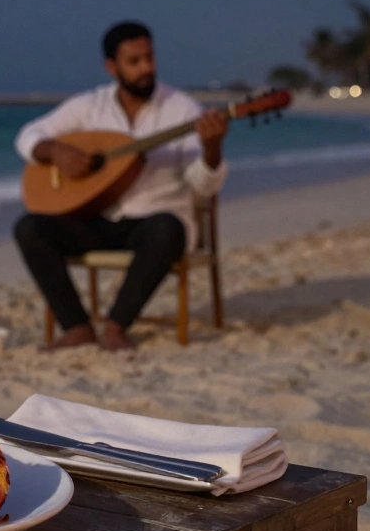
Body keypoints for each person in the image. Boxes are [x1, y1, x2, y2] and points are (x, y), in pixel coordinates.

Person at [12, 21, 229, 350]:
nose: (146, 68)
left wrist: (212, 150)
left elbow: (205, 186)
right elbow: (27, 136)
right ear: (111, 67)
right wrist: (56, 151)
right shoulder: (90, 106)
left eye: (149, 58)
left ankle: (116, 326)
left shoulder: (183, 110)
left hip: (152, 224)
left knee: (168, 229)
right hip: (96, 220)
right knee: (29, 228)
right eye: (134, 61)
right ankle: (77, 327)